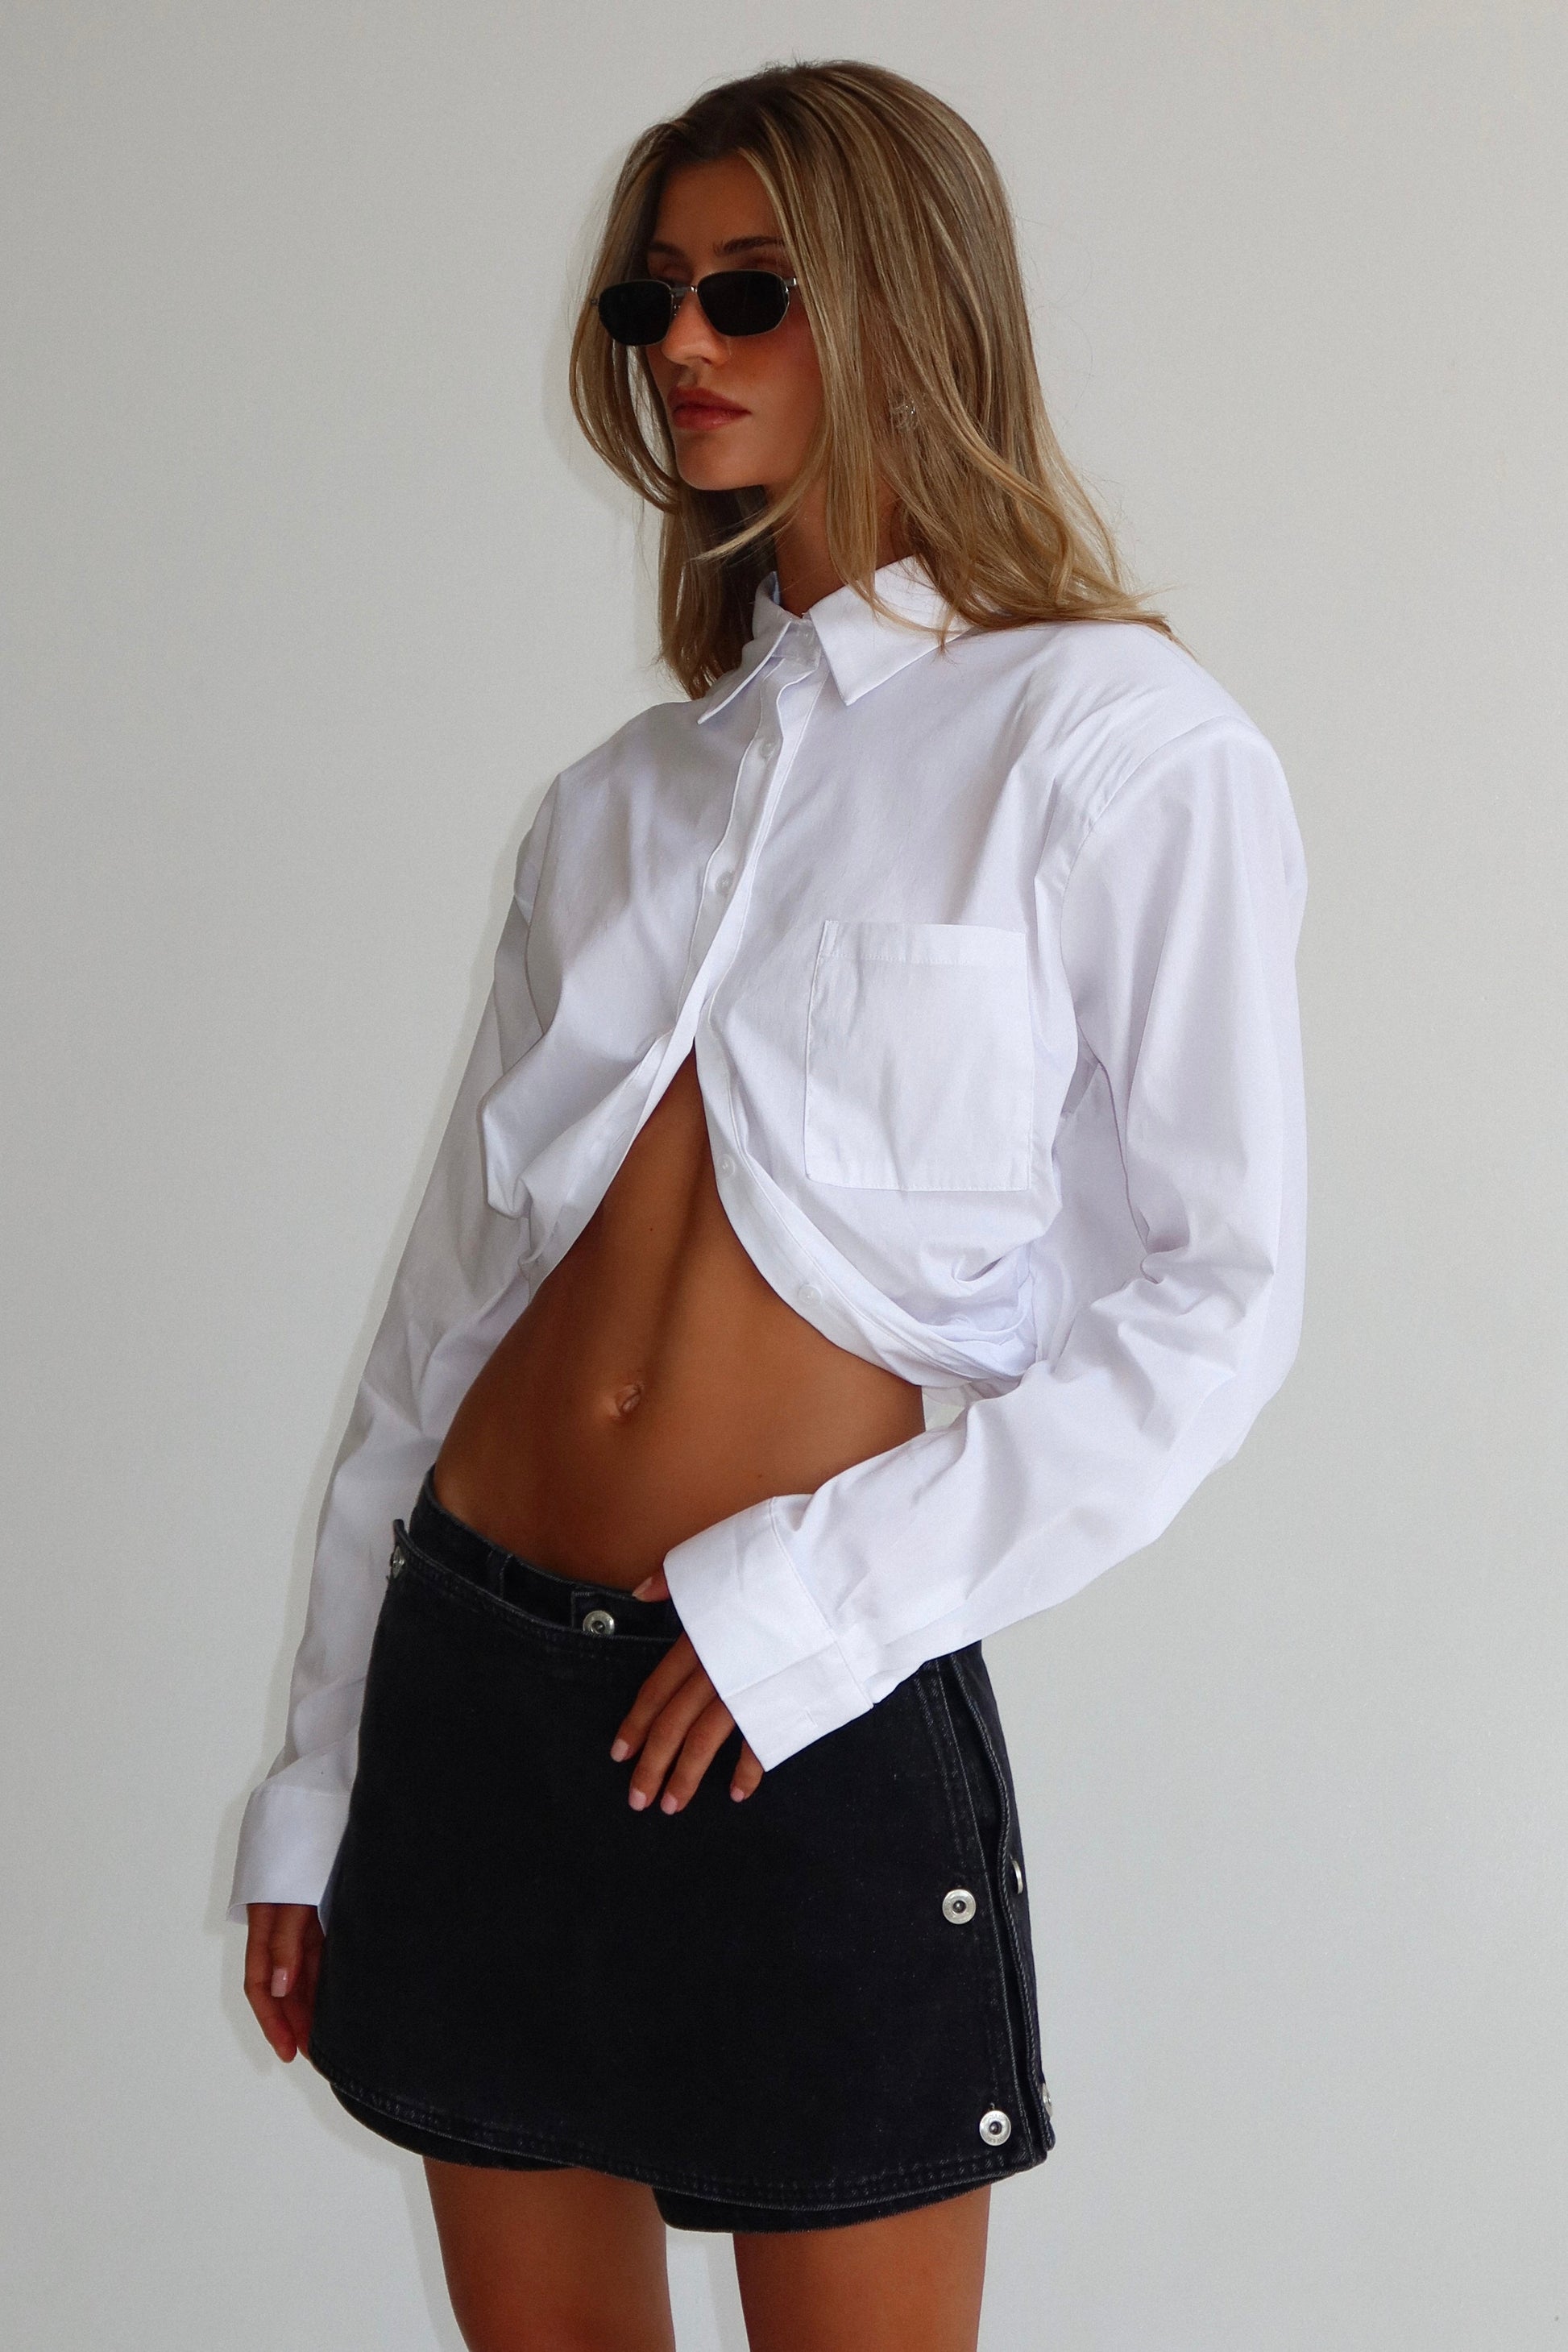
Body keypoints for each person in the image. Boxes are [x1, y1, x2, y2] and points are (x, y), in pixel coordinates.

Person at [230, 57, 1307, 2352]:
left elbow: (1218, 1301)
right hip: (476, 1685)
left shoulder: (1110, 744)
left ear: (909, 302)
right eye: (652, 299)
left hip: (789, 1699)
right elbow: (439, 1328)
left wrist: (819, 1603)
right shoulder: (617, 804)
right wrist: (318, 1782)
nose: (683, 346)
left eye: (752, 290)